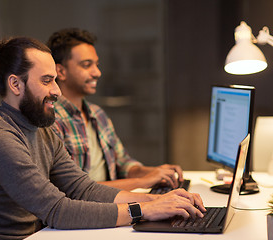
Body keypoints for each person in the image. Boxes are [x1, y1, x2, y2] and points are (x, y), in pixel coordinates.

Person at [0, 37, 205, 240]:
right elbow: (58, 211)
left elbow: (83, 189)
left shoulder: (41, 130)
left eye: (55, 80)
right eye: (46, 81)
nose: (56, 91)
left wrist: (157, 201)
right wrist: (143, 211)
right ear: (15, 85)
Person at [47, 28, 184, 191]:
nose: (97, 73)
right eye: (86, 65)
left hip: (114, 201)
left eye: (96, 65)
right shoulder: (51, 121)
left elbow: (123, 164)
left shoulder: (97, 114)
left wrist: (154, 172)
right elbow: (74, 190)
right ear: (60, 71)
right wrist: (144, 181)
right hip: (88, 211)